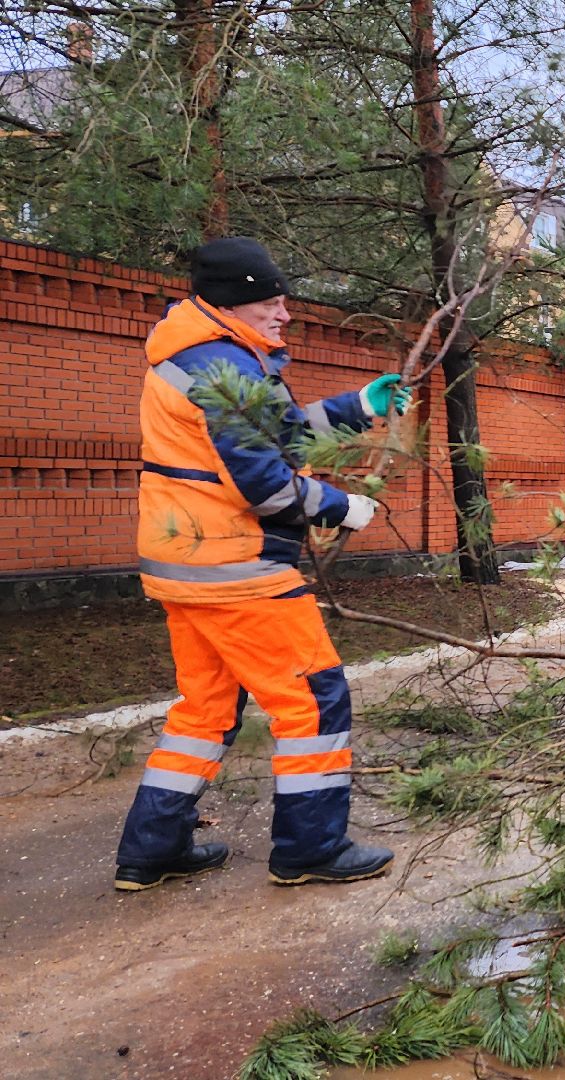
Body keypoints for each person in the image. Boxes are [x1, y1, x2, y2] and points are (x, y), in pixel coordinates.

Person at [115, 237, 411, 891]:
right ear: (234, 301)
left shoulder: (207, 356)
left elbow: (275, 435)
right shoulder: (225, 369)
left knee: (204, 712)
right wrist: (343, 507)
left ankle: (149, 851)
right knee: (312, 699)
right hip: (237, 567)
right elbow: (268, 484)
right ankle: (310, 850)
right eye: (271, 302)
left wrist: (360, 408)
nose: (284, 314)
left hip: (188, 565)